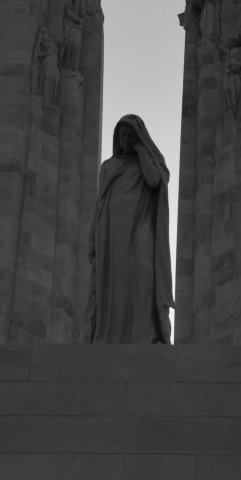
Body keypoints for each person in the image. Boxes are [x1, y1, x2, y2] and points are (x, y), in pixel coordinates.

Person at [84, 115, 173, 343]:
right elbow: (99, 201)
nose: (126, 139)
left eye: (131, 135)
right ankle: (111, 336)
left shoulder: (146, 163)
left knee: (142, 278)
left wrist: (142, 151)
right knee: (114, 287)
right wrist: (91, 241)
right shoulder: (108, 166)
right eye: (123, 135)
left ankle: (144, 336)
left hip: (140, 232)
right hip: (111, 235)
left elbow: (155, 181)